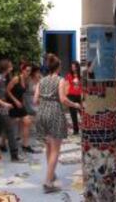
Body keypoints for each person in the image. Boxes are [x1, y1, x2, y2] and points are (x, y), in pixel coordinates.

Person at [34, 53, 81, 193]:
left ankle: (51, 173)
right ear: (58, 67)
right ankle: (48, 183)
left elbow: (35, 100)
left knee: (48, 146)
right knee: (55, 150)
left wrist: (45, 102)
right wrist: (75, 105)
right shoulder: (60, 80)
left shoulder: (41, 81)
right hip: (54, 113)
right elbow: (63, 99)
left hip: (42, 113)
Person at [0, 59, 21, 161]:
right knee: (10, 130)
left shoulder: (4, 77)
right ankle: (14, 155)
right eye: (10, 65)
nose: (12, 66)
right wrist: (4, 104)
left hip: (1, 109)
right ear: (6, 67)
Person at [7, 62, 34, 153]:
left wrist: (22, 102)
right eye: (27, 70)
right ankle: (3, 143)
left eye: (30, 71)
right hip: (12, 103)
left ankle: (25, 145)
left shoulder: (26, 80)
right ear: (22, 70)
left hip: (20, 104)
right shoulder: (16, 78)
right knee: (10, 124)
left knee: (27, 121)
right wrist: (15, 101)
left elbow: (22, 93)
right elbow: (8, 91)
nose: (28, 72)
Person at [65, 61, 82, 135]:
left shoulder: (81, 75)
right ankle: (76, 130)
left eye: (74, 67)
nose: (73, 68)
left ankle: (86, 128)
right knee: (73, 114)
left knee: (82, 112)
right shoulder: (69, 75)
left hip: (80, 96)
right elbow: (66, 85)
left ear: (77, 67)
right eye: (72, 67)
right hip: (71, 95)